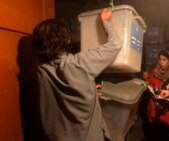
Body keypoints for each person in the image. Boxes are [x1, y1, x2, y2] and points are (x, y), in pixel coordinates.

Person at [30, 8, 121, 141]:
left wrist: (87, 88)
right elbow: (115, 44)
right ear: (66, 39)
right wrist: (105, 21)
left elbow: (60, 94)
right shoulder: (79, 63)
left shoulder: (39, 72)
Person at [141, 50, 169, 141]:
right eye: (160, 59)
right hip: (154, 108)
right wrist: (147, 79)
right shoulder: (155, 71)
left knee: (166, 135)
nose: (161, 62)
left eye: (164, 60)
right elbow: (150, 85)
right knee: (154, 134)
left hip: (167, 109)